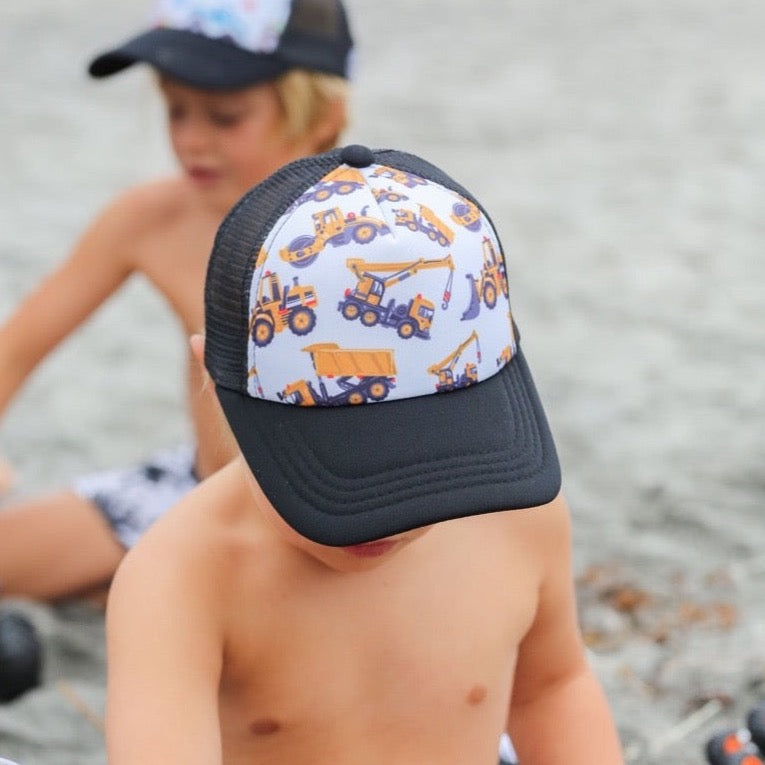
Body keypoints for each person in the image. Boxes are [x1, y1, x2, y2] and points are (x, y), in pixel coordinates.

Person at [105, 144, 625, 763]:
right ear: (215, 381)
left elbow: (551, 688)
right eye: (348, 464)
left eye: (430, 464)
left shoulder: (517, 515)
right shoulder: (182, 577)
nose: (390, 516)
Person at [0, 0, 353, 602]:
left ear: (320, 116)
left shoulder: (358, 236)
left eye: (224, 117)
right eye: (175, 109)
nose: (191, 140)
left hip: (326, 534)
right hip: (189, 488)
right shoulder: (152, 218)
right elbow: (17, 349)